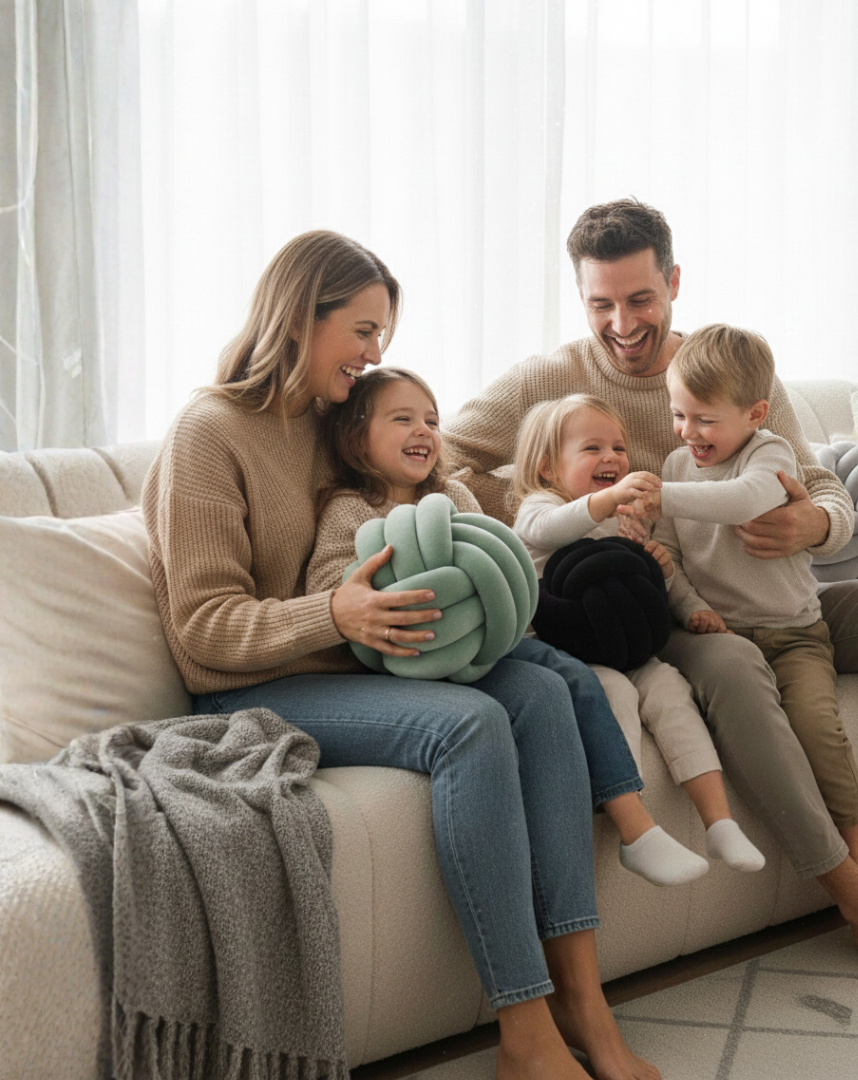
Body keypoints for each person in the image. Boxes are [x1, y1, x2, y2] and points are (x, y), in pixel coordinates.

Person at [442, 199, 858, 996]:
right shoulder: (549, 378)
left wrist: (815, 524)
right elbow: (443, 457)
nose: (621, 323)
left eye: (639, 299)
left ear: (673, 282)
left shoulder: (729, 369)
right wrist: (529, 545)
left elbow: (817, 483)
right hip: (679, 612)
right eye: (600, 303)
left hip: (785, 600)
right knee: (735, 663)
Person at [142, 230, 661, 1080]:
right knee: (471, 725)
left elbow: (431, 480)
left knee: (543, 694)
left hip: (354, 667)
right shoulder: (210, 432)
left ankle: (586, 1004)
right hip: (248, 687)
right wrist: (333, 610)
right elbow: (202, 629)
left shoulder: (331, 423)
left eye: (383, 334)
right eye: (363, 331)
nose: (375, 353)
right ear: (299, 317)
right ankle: (525, 1031)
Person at [306, 366, 705, 888]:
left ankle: (635, 829)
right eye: (403, 418)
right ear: (357, 437)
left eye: (431, 419)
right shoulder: (348, 509)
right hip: (408, 655)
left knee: (575, 681)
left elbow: (502, 567)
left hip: (487, 643)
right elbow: (326, 593)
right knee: (574, 681)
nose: (423, 429)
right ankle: (634, 828)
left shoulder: (453, 496)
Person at [512, 393, 766, 875]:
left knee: (671, 688)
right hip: (564, 652)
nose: (611, 458)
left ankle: (719, 822)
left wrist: (685, 599)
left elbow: (647, 587)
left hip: (625, 644)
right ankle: (633, 822)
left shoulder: (626, 519)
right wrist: (605, 500)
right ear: (547, 467)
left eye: (619, 448)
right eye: (592, 449)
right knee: (615, 693)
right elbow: (547, 529)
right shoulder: (539, 506)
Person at [650, 325, 858, 872]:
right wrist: (689, 606)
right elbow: (669, 557)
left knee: (821, 734)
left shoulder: (771, 456)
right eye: (679, 415)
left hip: (794, 636)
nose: (687, 431)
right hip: (724, 636)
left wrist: (658, 494)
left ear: (755, 413)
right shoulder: (676, 468)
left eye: (704, 419)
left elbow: (739, 500)